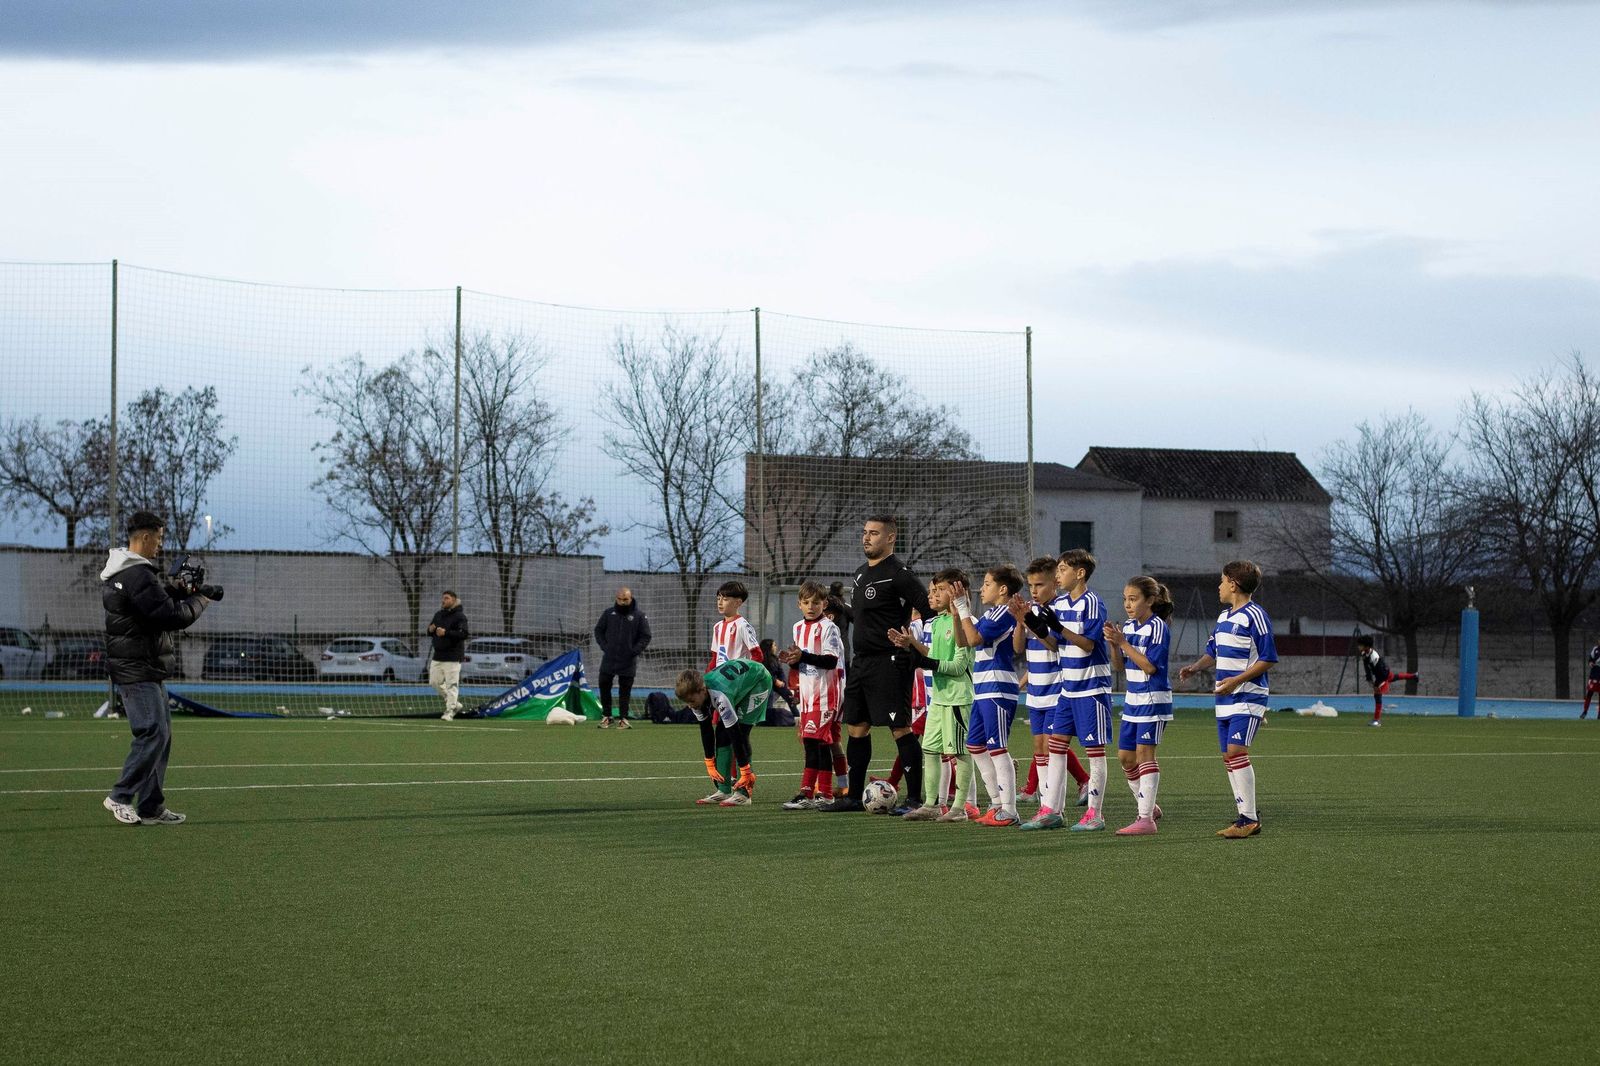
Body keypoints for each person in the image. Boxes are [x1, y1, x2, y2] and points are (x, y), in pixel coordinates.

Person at [100, 510, 219, 826]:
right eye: (159, 538)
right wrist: (202, 599)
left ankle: (151, 806)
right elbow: (170, 617)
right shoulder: (137, 574)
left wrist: (180, 591)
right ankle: (120, 796)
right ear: (144, 536)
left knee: (161, 735)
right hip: (136, 667)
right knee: (153, 731)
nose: (160, 545)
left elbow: (154, 606)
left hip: (143, 666)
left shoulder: (127, 573)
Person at [816, 516, 933, 813]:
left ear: (890, 538)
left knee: (900, 728)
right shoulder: (859, 574)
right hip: (861, 663)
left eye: (874, 533)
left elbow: (929, 608)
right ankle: (855, 796)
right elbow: (865, 617)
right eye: (865, 532)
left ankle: (914, 799)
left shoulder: (900, 574)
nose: (867, 538)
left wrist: (917, 641)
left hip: (890, 663)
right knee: (856, 726)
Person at [1178, 560, 1277, 839]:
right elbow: (1213, 651)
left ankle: (1248, 818)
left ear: (1233, 584)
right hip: (1225, 698)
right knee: (1227, 756)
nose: (1219, 586)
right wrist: (1196, 667)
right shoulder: (1223, 618)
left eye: (1222, 581)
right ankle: (1245, 814)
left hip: (1248, 695)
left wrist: (1235, 681)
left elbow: (1269, 658)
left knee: (1236, 751)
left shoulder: (1255, 615)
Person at [891, 569, 977, 821]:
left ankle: (959, 809)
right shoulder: (936, 621)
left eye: (938, 590)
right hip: (937, 698)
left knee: (960, 752)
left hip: (957, 698)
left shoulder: (964, 622)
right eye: (931, 590)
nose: (931, 595)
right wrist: (912, 645)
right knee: (929, 749)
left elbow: (958, 666)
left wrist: (924, 661)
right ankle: (931, 804)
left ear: (956, 592)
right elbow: (932, 653)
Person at [1041, 549, 1115, 832]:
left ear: (1080, 572)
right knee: (1056, 745)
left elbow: (1088, 644)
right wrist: (1033, 623)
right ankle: (1051, 809)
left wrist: (1057, 626)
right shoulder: (1059, 603)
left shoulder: (1092, 603)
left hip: (1091, 688)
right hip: (1068, 688)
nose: (1057, 575)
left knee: (1094, 751)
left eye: (1062, 569)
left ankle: (1095, 814)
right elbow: (1055, 644)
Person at [1104, 576, 1174, 836]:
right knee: (1125, 757)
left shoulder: (1157, 627)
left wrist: (1122, 642)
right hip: (1133, 701)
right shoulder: (1130, 627)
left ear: (1151, 600)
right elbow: (1120, 667)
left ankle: (1145, 818)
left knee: (1145, 755)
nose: (1127, 604)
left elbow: (1150, 666)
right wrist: (1114, 645)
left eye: (1133, 599)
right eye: (1125, 599)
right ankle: (1149, 806)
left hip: (1153, 699)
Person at [955, 565, 1024, 827]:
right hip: (984, 687)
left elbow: (972, 640)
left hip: (998, 686)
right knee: (975, 744)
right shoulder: (991, 613)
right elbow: (964, 640)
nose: (981, 588)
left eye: (986, 584)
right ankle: (997, 802)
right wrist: (957, 610)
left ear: (1003, 589)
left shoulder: (1005, 612)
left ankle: (1009, 808)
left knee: (997, 747)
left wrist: (962, 608)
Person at [779, 582, 845, 809]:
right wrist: (793, 663)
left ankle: (816, 793)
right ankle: (817, 794)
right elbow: (802, 661)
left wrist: (803, 656)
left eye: (816, 602)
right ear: (799, 605)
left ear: (824, 604)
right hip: (808, 695)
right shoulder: (798, 627)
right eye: (806, 602)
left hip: (827, 694)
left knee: (816, 742)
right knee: (814, 743)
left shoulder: (829, 628)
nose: (811, 606)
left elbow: (830, 659)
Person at [678, 659, 769, 807]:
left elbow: (735, 735)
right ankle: (724, 790)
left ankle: (744, 792)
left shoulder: (720, 696)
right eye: (687, 702)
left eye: (692, 701)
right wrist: (709, 762)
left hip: (758, 682)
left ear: (702, 691)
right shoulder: (696, 694)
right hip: (738, 685)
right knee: (721, 734)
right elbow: (706, 729)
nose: (690, 706)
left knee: (741, 732)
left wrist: (745, 769)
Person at [594, 586, 652, 729]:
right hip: (609, 658)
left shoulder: (639, 616)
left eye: (625, 599)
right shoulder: (608, 614)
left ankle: (624, 719)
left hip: (628, 660)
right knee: (604, 684)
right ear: (616, 599)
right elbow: (598, 631)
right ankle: (606, 716)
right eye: (620, 599)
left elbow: (646, 636)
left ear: (630, 598)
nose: (622, 602)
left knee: (625, 690)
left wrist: (634, 651)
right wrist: (605, 647)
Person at [1356, 634, 1419, 727]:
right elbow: (1367, 667)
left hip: (1383, 675)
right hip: (1383, 674)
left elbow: (1381, 673)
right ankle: (1414, 675)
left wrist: (1376, 685)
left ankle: (1376, 721)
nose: (1358, 646)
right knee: (1396, 677)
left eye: (1360, 645)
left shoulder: (1374, 657)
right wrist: (1369, 678)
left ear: (1367, 646)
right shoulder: (1364, 654)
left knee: (1377, 695)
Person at [427, 591, 469, 721]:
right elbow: (430, 631)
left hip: (453, 656)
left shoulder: (460, 616)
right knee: (434, 682)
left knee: (452, 685)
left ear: (454, 600)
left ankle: (449, 711)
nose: (443, 600)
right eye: (443, 598)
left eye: (446, 598)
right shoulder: (438, 615)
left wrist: (446, 633)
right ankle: (455, 704)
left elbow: (463, 634)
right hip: (438, 655)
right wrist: (430, 630)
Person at [1584, 638, 1600, 719]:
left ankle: (1599, 714)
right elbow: (1590, 659)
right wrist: (1590, 663)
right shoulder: (1595, 649)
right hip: (1594, 675)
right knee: (1589, 693)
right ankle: (1585, 711)